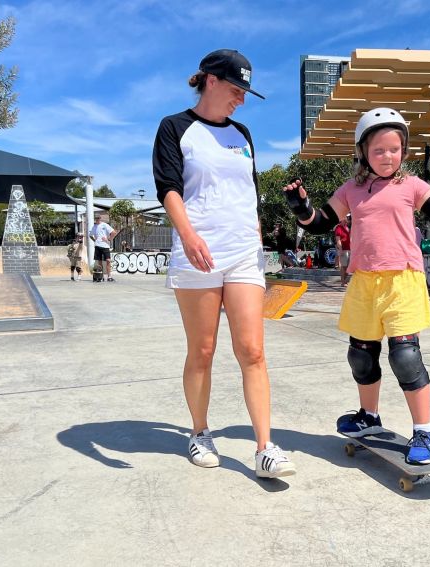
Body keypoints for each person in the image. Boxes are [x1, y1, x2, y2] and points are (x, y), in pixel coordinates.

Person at [283, 107, 430, 465]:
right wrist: (302, 208)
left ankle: (423, 429)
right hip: (364, 280)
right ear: (363, 152)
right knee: (360, 354)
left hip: (403, 279)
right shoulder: (352, 189)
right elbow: (321, 222)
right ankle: (369, 416)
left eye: (395, 149)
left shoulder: (410, 185)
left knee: (405, 357)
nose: (387, 156)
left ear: (404, 152)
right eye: (379, 150)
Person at [152, 48, 295, 479]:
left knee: (252, 350)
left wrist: (259, 240)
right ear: (210, 81)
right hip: (197, 254)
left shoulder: (243, 135)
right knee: (203, 349)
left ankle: (265, 448)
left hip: (243, 256)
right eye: (236, 89)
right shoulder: (175, 128)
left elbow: (249, 193)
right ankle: (199, 432)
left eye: (245, 92)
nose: (241, 99)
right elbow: (169, 189)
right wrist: (189, 235)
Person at [89, 215, 117, 282]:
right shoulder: (94, 226)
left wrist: (109, 239)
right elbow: (90, 235)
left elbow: (114, 232)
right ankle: (101, 276)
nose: (97, 219)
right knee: (99, 262)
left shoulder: (105, 225)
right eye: (96, 218)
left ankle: (109, 276)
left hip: (105, 246)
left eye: (98, 218)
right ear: (95, 219)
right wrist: (95, 240)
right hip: (97, 246)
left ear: (100, 218)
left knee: (108, 260)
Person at [334, 215, 351, 286]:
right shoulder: (338, 228)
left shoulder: (347, 228)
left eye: (347, 217)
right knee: (344, 266)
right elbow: (338, 240)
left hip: (349, 249)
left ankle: (344, 280)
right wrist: (340, 249)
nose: (347, 219)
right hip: (343, 249)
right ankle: (343, 282)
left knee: (348, 266)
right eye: (346, 217)